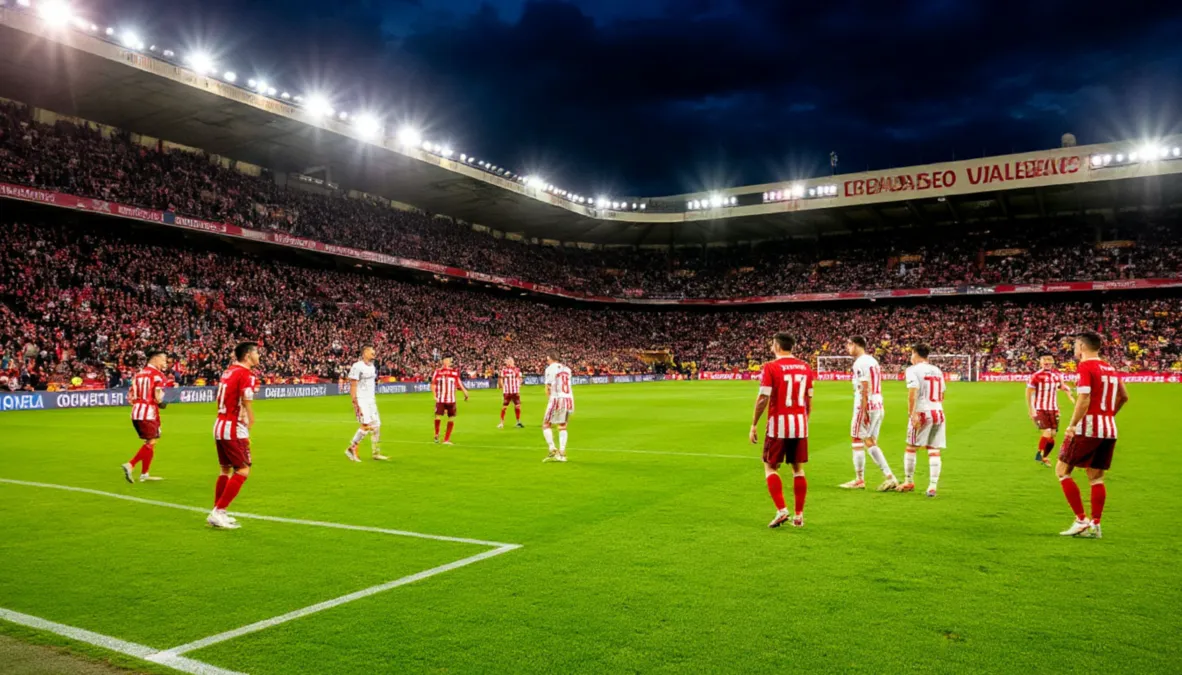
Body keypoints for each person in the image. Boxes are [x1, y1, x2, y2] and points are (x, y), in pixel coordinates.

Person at [1057, 331, 1128, 539]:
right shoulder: (1110, 368)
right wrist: (1108, 415)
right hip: (1109, 427)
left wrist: (1072, 425)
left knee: (1062, 470)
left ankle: (1081, 520)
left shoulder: (1085, 366)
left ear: (1082, 347)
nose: (1074, 349)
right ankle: (1096, 524)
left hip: (1088, 427)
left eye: (1075, 345)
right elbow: (1124, 396)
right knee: (1096, 478)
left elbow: (1084, 398)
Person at [750, 332, 812, 528]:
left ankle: (782, 510)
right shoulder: (805, 367)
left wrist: (753, 424)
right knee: (798, 469)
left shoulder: (771, 367)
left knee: (770, 466)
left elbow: (763, 398)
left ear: (777, 346)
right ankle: (799, 516)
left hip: (778, 426)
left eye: (771, 345)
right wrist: (804, 420)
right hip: (800, 424)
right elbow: (809, 399)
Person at [208, 342, 261, 530]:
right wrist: (250, 420)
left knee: (225, 470)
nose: (258, 356)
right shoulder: (246, 374)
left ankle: (216, 510)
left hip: (220, 424)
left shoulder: (228, 371)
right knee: (243, 470)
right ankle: (219, 511)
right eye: (256, 353)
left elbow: (218, 398)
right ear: (248, 355)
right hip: (234, 427)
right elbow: (247, 398)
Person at [840, 336, 899, 491]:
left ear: (856, 345)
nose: (848, 348)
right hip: (878, 403)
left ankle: (860, 480)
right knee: (870, 441)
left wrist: (864, 409)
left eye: (849, 345)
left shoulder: (860, 362)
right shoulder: (872, 360)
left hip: (865, 405)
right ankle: (889, 477)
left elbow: (865, 386)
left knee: (857, 438)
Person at [900, 344, 946, 497]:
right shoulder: (937, 370)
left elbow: (913, 392)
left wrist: (912, 414)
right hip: (938, 411)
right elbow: (942, 394)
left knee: (911, 446)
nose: (910, 357)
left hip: (922, 412)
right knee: (934, 448)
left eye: (911, 354)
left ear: (915, 353)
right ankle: (932, 486)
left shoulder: (912, 370)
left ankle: (908, 481)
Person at [121, 350, 169, 484]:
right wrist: (161, 403)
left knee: (149, 442)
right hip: (148, 412)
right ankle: (131, 464)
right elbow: (157, 395)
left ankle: (145, 474)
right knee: (152, 441)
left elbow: (130, 398)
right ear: (155, 359)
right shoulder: (158, 375)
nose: (165, 363)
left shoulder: (138, 375)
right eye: (164, 360)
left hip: (136, 411)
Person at [1026, 354, 1075, 467]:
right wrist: (1031, 409)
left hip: (1053, 409)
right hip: (1040, 408)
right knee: (1047, 432)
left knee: (1052, 434)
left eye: (1049, 360)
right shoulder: (1036, 376)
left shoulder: (1057, 375)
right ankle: (1039, 454)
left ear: (1053, 362)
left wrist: (1070, 396)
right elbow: (1029, 393)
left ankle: (1044, 456)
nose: (1047, 362)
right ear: (1040, 363)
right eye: (1044, 360)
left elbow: (1062, 386)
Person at [346, 346, 388, 462]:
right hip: (361, 399)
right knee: (365, 425)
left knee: (376, 426)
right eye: (371, 352)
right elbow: (353, 384)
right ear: (365, 353)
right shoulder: (357, 366)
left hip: (371, 400)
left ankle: (376, 453)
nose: (374, 354)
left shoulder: (373, 367)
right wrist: (355, 401)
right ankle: (352, 448)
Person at [542, 353, 575, 462]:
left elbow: (548, 387)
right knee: (562, 426)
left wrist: (550, 400)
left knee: (546, 424)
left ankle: (552, 449)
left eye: (547, 359)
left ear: (550, 358)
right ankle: (562, 453)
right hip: (568, 399)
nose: (547, 361)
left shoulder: (550, 369)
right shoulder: (567, 369)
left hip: (557, 399)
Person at [431, 356, 468, 445]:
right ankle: (436, 434)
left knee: (451, 417)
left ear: (450, 362)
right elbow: (433, 384)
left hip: (451, 399)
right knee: (437, 416)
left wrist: (465, 392)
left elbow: (459, 383)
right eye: (445, 360)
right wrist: (434, 395)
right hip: (441, 398)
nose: (446, 362)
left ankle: (446, 439)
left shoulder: (454, 372)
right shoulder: (438, 371)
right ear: (442, 361)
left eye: (448, 360)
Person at [498, 357, 524, 429]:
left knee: (518, 406)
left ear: (513, 362)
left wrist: (519, 384)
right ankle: (501, 423)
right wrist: (503, 387)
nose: (509, 362)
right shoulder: (504, 370)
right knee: (504, 407)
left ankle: (518, 422)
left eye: (511, 361)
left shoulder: (517, 370)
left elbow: (520, 378)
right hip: (507, 392)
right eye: (508, 361)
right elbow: (501, 379)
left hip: (515, 391)